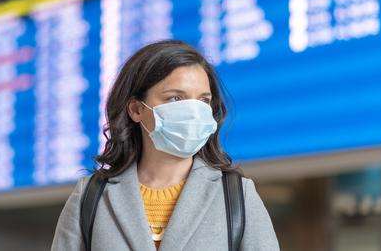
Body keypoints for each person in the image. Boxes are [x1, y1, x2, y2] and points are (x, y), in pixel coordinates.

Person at [51, 40, 279, 250]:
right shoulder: (91, 196)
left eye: (203, 100)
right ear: (136, 110)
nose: (193, 112)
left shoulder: (237, 195)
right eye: (175, 98)